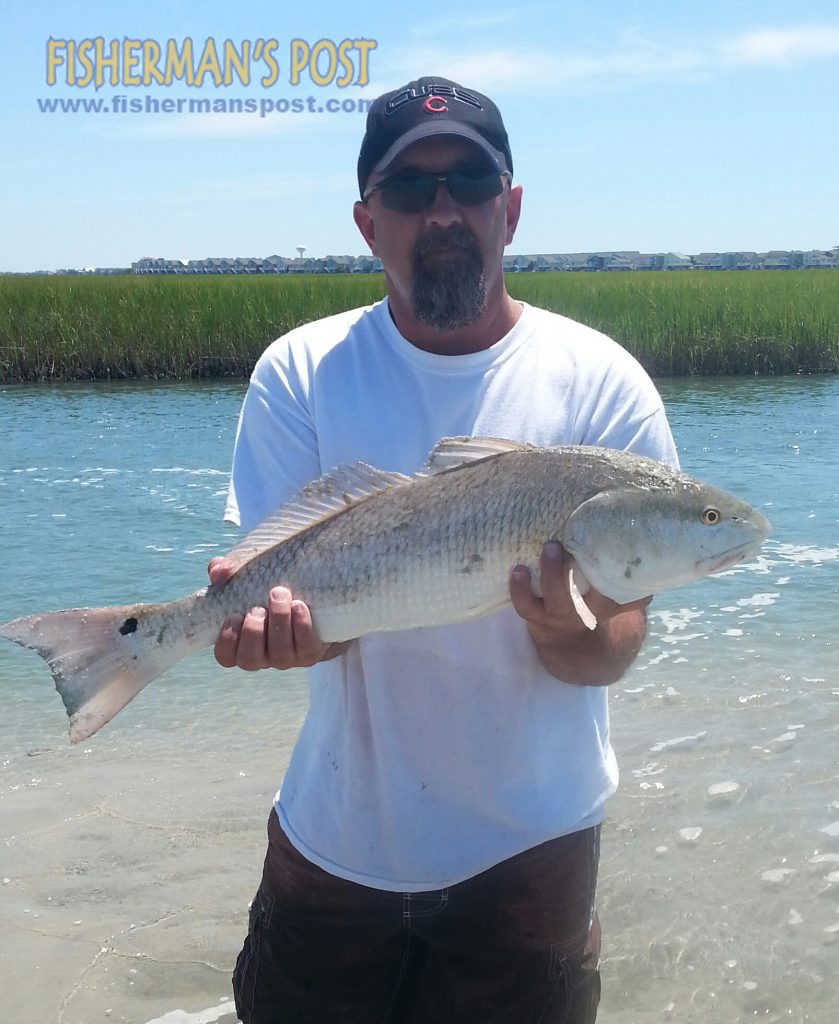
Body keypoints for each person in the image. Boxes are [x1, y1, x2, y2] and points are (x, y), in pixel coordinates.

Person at [210, 76, 679, 1023]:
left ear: (509, 208)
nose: (443, 211)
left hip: (533, 852)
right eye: (410, 190)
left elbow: (617, 639)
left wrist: (569, 632)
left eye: (468, 180)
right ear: (364, 221)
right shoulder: (299, 371)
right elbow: (291, 598)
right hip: (336, 842)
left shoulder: (602, 385)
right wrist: (283, 633)